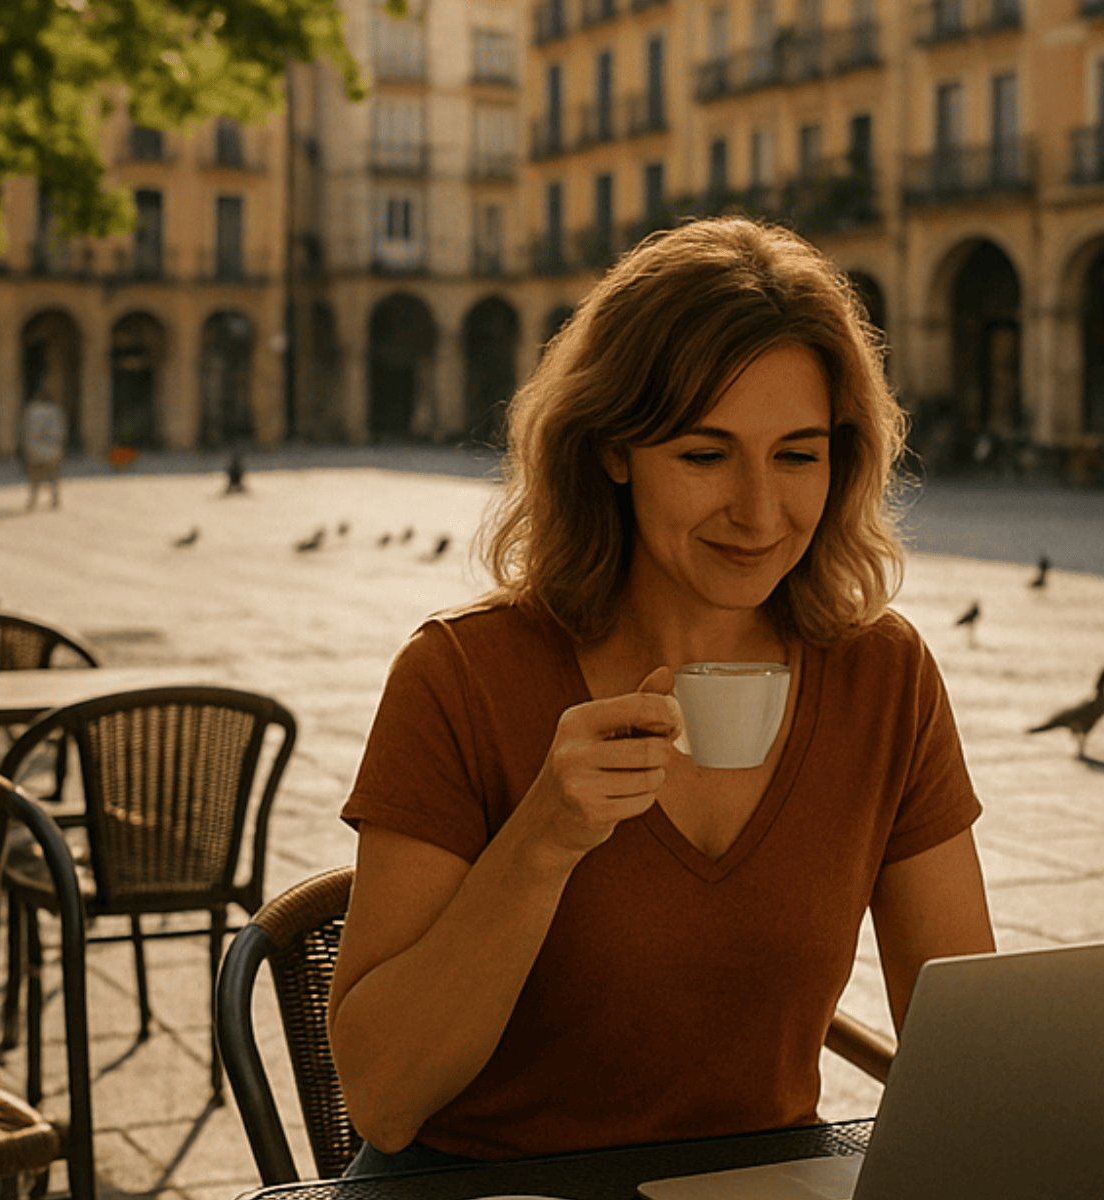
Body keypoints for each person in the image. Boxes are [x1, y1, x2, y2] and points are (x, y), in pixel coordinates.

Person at [330, 216, 995, 1173]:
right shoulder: (460, 678)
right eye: (704, 454)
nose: (760, 513)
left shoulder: (882, 678)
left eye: (798, 455)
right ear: (611, 448)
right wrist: (545, 836)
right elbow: (384, 1100)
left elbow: (967, 1031)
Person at [20, 389, 67, 510]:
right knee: (53, 475)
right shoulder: (55, 410)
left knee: (35, 476)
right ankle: (55, 499)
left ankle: (32, 501)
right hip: (52, 448)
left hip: (34, 448)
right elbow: (60, 431)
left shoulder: (31, 410)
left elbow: (25, 430)